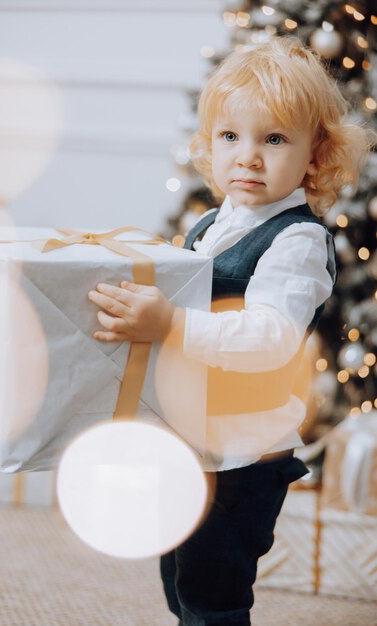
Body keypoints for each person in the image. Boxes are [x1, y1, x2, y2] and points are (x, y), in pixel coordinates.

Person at [88, 37, 372, 626]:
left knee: (214, 592)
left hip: (242, 455)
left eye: (273, 139)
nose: (247, 156)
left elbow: (269, 337)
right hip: (192, 441)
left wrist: (169, 323)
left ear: (315, 155)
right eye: (230, 137)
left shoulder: (297, 241)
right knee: (180, 578)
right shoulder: (216, 223)